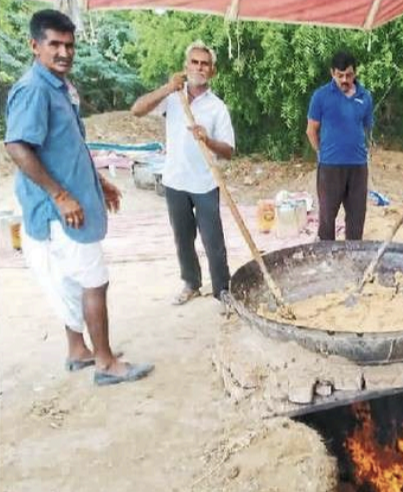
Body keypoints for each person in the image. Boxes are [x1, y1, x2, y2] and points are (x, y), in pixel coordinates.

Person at [4, 9, 153, 386]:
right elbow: (18, 147)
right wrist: (61, 195)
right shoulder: (34, 90)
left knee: (71, 280)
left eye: (69, 44)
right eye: (54, 44)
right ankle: (106, 363)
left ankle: (78, 350)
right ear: (34, 46)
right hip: (60, 210)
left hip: (73, 200)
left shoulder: (60, 86)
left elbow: (69, 145)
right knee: (94, 281)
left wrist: (99, 182)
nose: (64, 52)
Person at [131, 41, 235, 306]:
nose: (199, 67)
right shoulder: (172, 98)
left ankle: (223, 290)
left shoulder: (217, 107)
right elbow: (137, 110)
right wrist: (168, 87)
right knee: (183, 238)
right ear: (186, 66)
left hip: (205, 182)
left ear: (212, 71)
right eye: (195, 62)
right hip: (175, 180)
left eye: (205, 64)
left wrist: (208, 140)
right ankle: (191, 283)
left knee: (213, 241)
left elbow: (229, 151)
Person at [306, 51, 374, 241]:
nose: (345, 80)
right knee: (327, 218)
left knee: (356, 218)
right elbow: (311, 130)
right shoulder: (320, 96)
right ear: (332, 73)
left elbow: (367, 129)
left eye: (349, 75)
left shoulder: (365, 97)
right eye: (340, 75)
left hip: (358, 167)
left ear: (355, 73)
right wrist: (321, 153)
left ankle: (352, 260)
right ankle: (327, 261)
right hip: (330, 167)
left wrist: (364, 150)